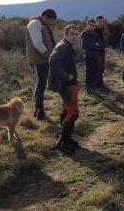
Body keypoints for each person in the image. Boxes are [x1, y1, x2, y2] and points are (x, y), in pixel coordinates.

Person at [48, 24, 80, 154]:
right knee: (73, 113)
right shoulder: (63, 47)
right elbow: (53, 60)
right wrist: (66, 76)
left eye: (76, 34)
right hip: (66, 85)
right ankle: (64, 142)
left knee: (66, 112)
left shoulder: (66, 46)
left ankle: (66, 140)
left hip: (66, 85)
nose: (74, 36)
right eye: (72, 34)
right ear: (65, 34)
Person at [25, 8, 57, 120]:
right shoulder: (35, 24)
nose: (51, 23)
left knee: (41, 85)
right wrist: (49, 56)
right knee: (40, 86)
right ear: (44, 17)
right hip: (38, 60)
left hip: (42, 59)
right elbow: (38, 43)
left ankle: (38, 111)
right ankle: (39, 113)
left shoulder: (40, 24)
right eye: (50, 20)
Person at [80, 19, 104, 94]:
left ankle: (94, 87)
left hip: (95, 56)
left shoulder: (94, 34)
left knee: (95, 72)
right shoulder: (85, 34)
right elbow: (87, 45)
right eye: (91, 25)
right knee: (89, 72)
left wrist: (97, 45)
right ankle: (89, 89)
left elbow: (100, 44)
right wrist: (96, 46)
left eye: (94, 25)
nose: (92, 27)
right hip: (89, 56)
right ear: (87, 25)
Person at [94, 15, 106, 88]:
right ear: (96, 21)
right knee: (97, 69)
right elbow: (95, 43)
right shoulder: (94, 31)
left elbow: (101, 41)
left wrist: (104, 46)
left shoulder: (101, 30)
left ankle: (100, 84)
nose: (101, 23)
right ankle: (98, 85)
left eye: (102, 21)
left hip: (102, 53)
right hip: (96, 53)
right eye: (99, 21)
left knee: (101, 69)